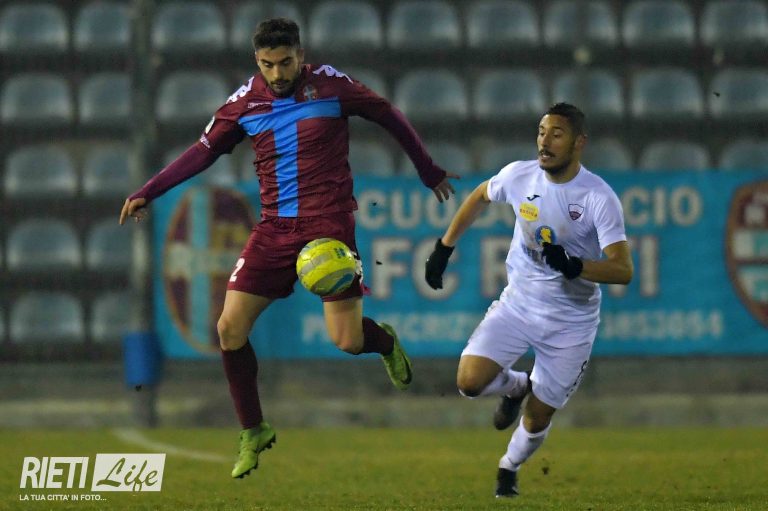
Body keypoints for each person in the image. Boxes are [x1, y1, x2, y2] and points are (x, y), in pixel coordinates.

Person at [119, 18, 459, 479]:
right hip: (274, 230)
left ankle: (383, 341)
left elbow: (387, 114)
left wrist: (427, 168)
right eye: (268, 65)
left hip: (329, 229)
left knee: (347, 341)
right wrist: (149, 191)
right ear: (256, 61)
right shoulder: (244, 103)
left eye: (285, 62)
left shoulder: (332, 86)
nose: (277, 74)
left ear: (301, 55)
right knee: (229, 329)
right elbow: (202, 151)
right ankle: (253, 429)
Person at [425, 103, 632, 498]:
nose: (544, 142)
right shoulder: (520, 175)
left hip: (571, 322)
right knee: (469, 382)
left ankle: (509, 466)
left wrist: (575, 266)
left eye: (557, 134)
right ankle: (517, 386)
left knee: (537, 418)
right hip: (519, 305)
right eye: (541, 132)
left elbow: (623, 269)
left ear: (579, 143)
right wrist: (444, 247)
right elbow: (480, 195)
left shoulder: (598, 197)